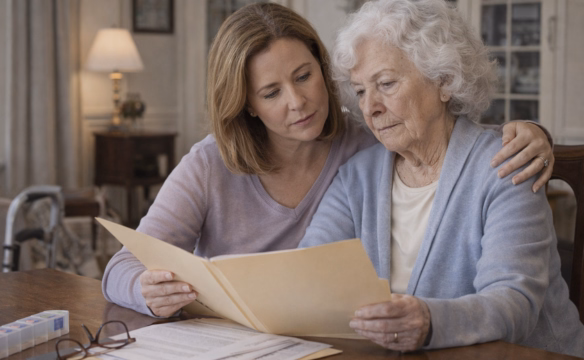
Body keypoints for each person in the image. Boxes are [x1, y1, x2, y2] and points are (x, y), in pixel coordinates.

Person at [102, 3, 554, 320]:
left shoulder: (364, 145)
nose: (298, 102)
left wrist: (537, 133)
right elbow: (124, 265)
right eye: (272, 92)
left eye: (304, 76)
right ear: (247, 105)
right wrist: (147, 291)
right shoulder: (213, 164)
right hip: (242, 332)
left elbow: (448, 132)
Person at [297, 0, 584, 356]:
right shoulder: (357, 176)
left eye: (386, 83)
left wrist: (430, 321)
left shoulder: (505, 163)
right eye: (360, 91)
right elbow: (306, 272)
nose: (370, 107)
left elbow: (514, 303)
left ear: (444, 81)